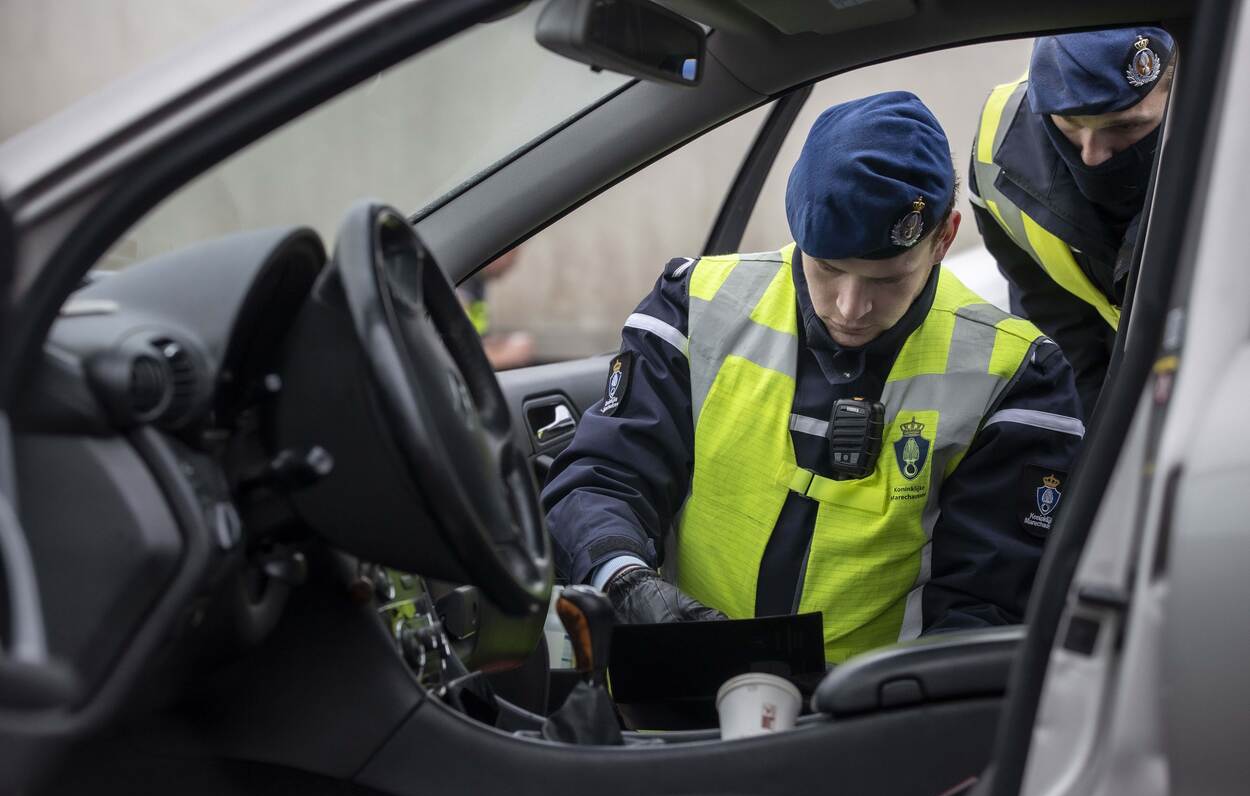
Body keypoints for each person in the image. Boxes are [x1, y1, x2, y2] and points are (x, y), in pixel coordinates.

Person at [541, 92, 1084, 664]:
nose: (850, 308)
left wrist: (894, 702)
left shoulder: (1016, 375)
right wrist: (625, 582)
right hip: (676, 690)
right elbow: (604, 476)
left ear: (944, 239)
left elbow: (990, 601)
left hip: (868, 710)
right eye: (827, 267)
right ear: (797, 225)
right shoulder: (695, 304)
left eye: (887, 279)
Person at [969, 28, 1175, 417]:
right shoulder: (999, 146)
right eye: (1069, 121)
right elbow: (1061, 338)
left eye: (1125, 126)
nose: (1092, 156)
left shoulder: (1227, 125)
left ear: (1182, 86)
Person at [458, 247, 536, 369]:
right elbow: (458, 357)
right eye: (511, 256)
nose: (512, 265)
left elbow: (472, 336)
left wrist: (495, 344)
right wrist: (505, 356)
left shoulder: (478, 284)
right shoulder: (462, 288)